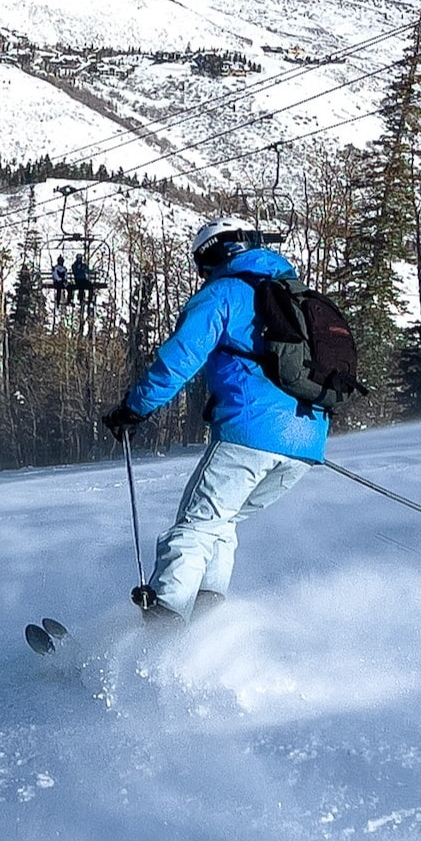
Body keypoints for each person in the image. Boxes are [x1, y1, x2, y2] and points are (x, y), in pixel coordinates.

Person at [99, 218, 328, 626]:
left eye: (200, 268)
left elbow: (177, 361)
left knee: (195, 525)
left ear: (211, 258)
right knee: (221, 520)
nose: (201, 277)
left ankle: (164, 623)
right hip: (306, 442)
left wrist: (132, 410)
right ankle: (207, 617)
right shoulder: (291, 295)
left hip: (250, 434)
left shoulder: (223, 294)